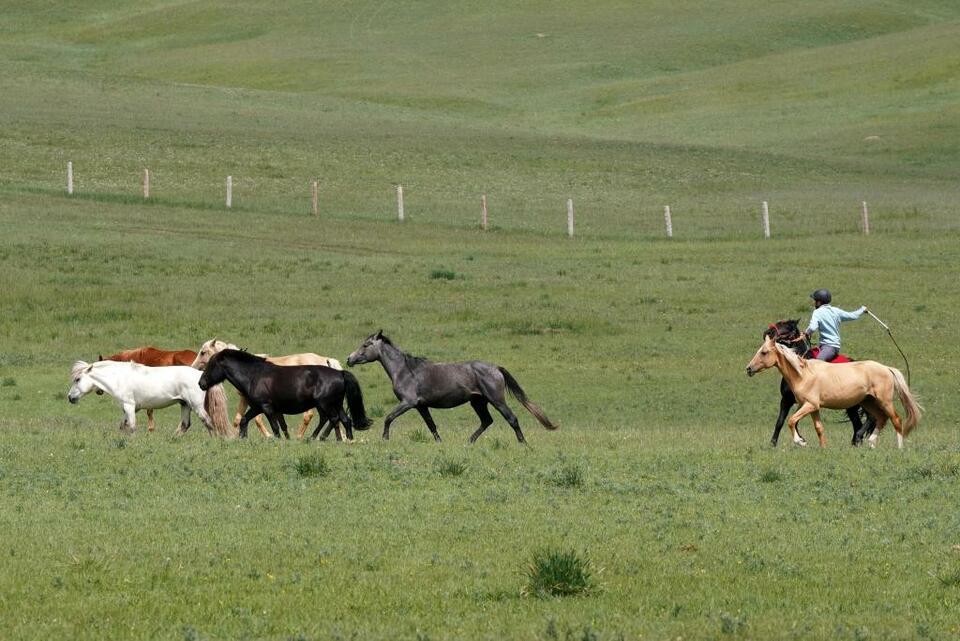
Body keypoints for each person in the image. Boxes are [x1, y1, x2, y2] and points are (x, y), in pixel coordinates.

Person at [805, 289, 867, 361]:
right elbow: (853, 316)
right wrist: (862, 309)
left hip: (829, 347)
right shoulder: (836, 311)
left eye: (815, 300)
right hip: (833, 347)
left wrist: (805, 333)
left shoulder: (817, 312)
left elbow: (812, 328)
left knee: (816, 363)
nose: (814, 302)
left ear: (819, 302)